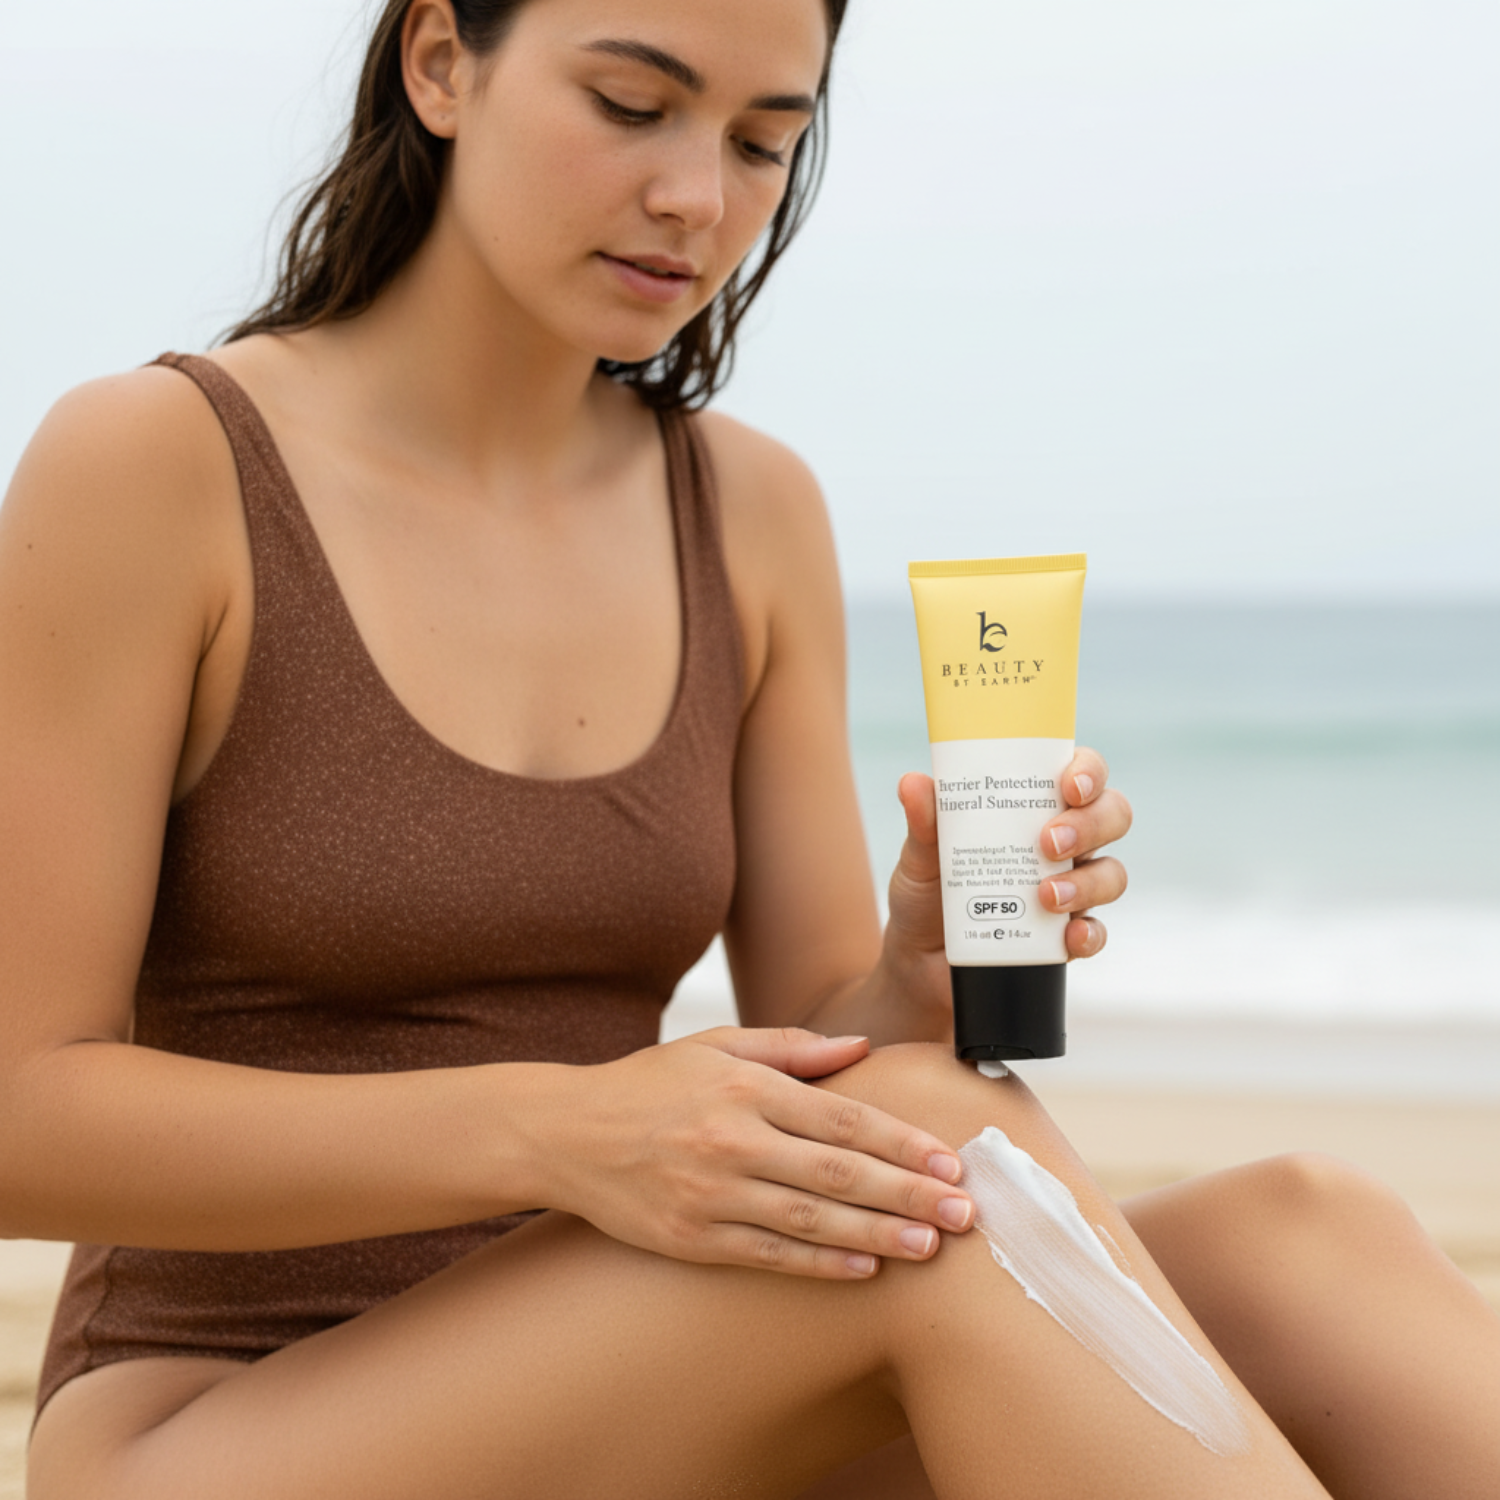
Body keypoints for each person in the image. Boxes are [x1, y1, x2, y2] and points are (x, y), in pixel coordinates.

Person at [2, 1, 1495, 1496]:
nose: (699, 200)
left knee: (1311, 1234)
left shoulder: (748, 513)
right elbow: (20, 1114)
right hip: (223, 1420)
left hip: (663, 1390)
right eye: (632, 105)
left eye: (764, 140)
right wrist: (554, 1130)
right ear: (442, 62)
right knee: (950, 1160)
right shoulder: (159, 466)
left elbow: (840, 1071)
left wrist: (912, 969)